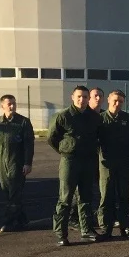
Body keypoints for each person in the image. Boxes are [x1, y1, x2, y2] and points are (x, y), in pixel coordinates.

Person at [48, 85, 103, 246]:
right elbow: (52, 138)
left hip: (88, 161)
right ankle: (61, 233)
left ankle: (86, 230)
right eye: (79, 96)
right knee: (65, 198)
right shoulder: (63, 116)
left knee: (86, 197)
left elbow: (98, 138)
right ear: (72, 97)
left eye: (85, 97)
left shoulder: (94, 117)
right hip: (70, 160)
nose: (82, 100)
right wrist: (66, 149)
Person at [0, 94, 34, 233]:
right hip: (2, 163)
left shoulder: (23, 122)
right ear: (3, 106)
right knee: (7, 192)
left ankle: (9, 222)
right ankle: (21, 219)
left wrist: (27, 163)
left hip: (16, 162)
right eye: (9, 104)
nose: (12, 106)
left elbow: (28, 145)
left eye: (14, 103)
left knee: (14, 193)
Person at [97, 90, 129, 240]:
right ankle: (105, 227)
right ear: (108, 99)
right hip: (105, 164)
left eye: (120, 101)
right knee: (106, 195)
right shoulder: (100, 119)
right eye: (115, 100)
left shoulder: (128, 119)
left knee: (124, 196)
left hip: (124, 163)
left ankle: (125, 226)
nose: (117, 103)